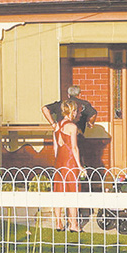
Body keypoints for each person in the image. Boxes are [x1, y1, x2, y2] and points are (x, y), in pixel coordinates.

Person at [52, 99, 83, 232]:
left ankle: (58, 223)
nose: (76, 113)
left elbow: (55, 147)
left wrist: (57, 161)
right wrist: (80, 166)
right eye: (75, 110)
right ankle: (73, 223)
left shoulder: (57, 126)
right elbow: (74, 148)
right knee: (72, 191)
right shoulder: (72, 127)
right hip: (70, 162)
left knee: (58, 191)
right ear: (72, 111)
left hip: (59, 161)